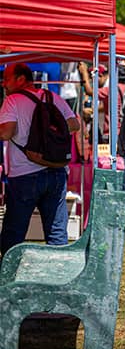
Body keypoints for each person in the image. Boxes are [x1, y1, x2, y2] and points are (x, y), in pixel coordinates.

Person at [0, 63, 80, 255]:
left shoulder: (12, 101)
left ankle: (9, 278)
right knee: (56, 232)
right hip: (56, 171)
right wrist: (49, 139)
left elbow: (6, 132)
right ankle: (59, 275)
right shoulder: (53, 97)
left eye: (7, 79)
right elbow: (74, 125)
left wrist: (33, 136)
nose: (4, 84)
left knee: (14, 233)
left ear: (21, 79)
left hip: (24, 175)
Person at [78, 62, 122, 144]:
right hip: (112, 129)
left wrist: (84, 73)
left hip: (113, 131)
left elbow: (89, 91)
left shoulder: (109, 87)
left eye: (93, 79)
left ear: (101, 76)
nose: (92, 82)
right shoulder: (112, 85)